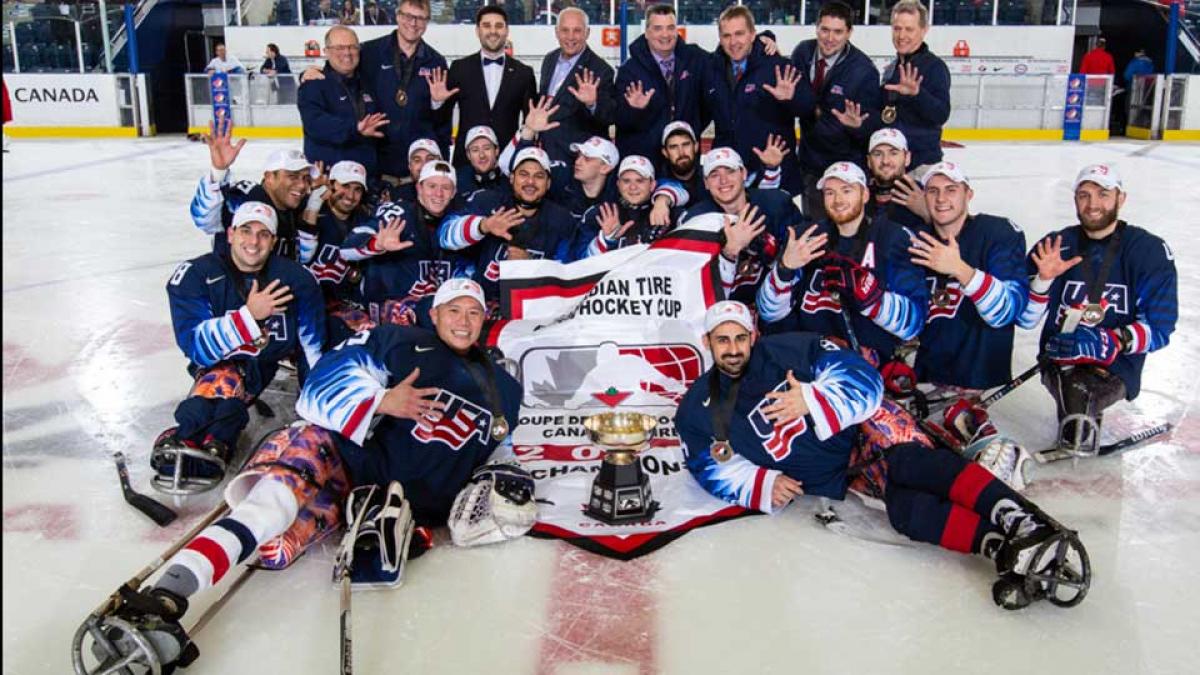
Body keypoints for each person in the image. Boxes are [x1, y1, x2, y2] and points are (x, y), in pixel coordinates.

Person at [113, 279, 525, 672]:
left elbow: (499, 450)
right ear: (434, 315)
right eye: (454, 309)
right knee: (270, 506)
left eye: (473, 312)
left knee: (278, 547)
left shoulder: (505, 389)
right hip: (342, 459)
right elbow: (318, 389)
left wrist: (503, 479)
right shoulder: (397, 341)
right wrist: (381, 400)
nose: (464, 320)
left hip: (389, 506)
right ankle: (168, 594)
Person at [675, 300, 1089, 608]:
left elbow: (862, 377)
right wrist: (760, 483)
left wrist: (815, 397)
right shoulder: (696, 408)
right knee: (906, 512)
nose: (732, 348)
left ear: (754, 337)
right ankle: (999, 547)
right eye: (722, 339)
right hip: (844, 473)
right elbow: (709, 466)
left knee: (911, 464)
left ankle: (1018, 518)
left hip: (869, 428)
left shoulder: (790, 349)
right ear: (707, 342)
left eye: (739, 337)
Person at [152, 201, 325, 495]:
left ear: (273, 241)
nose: (254, 242)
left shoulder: (297, 279)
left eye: (263, 234)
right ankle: (189, 434)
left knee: (227, 390)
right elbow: (197, 347)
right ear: (231, 234)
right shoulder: (196, 274)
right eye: (246, 231)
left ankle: (216, 438)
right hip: (214, 366)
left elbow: (312, 347)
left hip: (260, 367)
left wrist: (315, 406)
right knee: (219, 379)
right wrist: (248, 317)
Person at [1017, 164, 1177, 455]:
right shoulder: (1056, 245)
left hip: (1117, 363)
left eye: (1103, 194)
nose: (1093, 204)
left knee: (1082, 398)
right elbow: (1026, 319)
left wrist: (1112, 341)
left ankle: (1080, 423)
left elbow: (1161, 327)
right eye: (1084, 195)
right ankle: (1077, 423)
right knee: (1073, 388)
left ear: (1121, 198)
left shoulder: (1148, 250)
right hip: (1060, 356)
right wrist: (1042, 282)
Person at [756, 161, 928, 367]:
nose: (838, 200)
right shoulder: (805, 237)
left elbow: (914, 324)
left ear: (864, 195)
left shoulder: (893, 238)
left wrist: (874, 300)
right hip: (806, 360)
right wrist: (784, 270)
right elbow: (769, 313)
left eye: (847, 190)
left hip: (867, 368)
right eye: (830, 192)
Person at [908, 162, 1028, 392]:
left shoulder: (997, 233)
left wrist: (961, 270)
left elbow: (1009, 310)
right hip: (924, 377)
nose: (941, 198)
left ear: (968, 194)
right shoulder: (915, 240)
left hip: (978, 379)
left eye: (951, 189)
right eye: (933, 191)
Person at [439, 146, 577, 303]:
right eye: (523, 174)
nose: (530, 182)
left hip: (531, 308)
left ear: (548, 183)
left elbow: (566, 276)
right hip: (479, 304)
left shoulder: (561, 220)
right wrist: (483, 225)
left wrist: (533, 266)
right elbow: (444, 236)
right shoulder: (487, 201)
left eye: (539, 176)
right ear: (512, 178)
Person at [345, 159, 472, 325]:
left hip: (434, 308)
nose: (438, 194)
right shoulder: (398, 213)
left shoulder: (458, 223)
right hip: (391, 309)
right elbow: (346, 249)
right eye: (432, 186)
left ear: (454, 192)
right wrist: (376, 244)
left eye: (445, 188)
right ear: (419, 187)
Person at [702, 5, 813, 194]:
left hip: (775, 175)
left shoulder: (779, 67)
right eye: (726, 36)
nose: (733, 42)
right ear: (719, 38)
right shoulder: (711, 70)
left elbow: (809, 108)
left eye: (739, 34)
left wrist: (791, 99)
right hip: (730, 181)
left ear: (753, 35)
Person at [789, 1, 882, 220]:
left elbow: (872, 124)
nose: (830, 38)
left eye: (838, 32)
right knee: (815, 229)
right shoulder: (803, 52)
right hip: (810, 164)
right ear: (817, 28)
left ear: (849, 32)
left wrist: (858, 126)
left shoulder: (864, 71)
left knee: (845, 231)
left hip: (845, 167)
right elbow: (796, 100)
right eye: (825, 30)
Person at [679, 147, 802, 305]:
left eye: (730, 171)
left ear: (743, 174)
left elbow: (800, 261)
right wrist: (727, 253)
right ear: (706, 183)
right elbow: (691, 285)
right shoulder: (695, 220)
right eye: (714, 175)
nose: (723, 180)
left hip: (775, 301)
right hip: (722, 308)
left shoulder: (776, 204)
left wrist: (776, 256)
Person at [353, 0, 451, 183]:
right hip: (376, 167)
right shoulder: (369, 52)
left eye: (420, 18)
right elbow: (341, 72)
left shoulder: (436, 62)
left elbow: (442, 125)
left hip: (417, 173)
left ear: (427, 22)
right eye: (408, 16)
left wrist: (437, 104)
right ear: (397, 16)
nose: (413, 23)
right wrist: (311, 73)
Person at [189, 123, 316, 261]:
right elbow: (204, 220)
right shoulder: (245, 199)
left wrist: (315, 203)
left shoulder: (294, 206)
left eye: (306, 178)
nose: (302, 185)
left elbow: (301, 257)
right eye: (292, 176)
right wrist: (218, 171)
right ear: (269, 178)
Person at [432, 5, 536, 171]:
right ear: (477, 30)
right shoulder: (459, 68)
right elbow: (442, 120)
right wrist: (437, 103)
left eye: (499, 26)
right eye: (487, 26)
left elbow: (530, 122)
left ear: (507, 30)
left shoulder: (524, 73)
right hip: (465, 165)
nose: (493, 31)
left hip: (506, 163)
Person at [613, 4, 709, 168]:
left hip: (683, 163)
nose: (665, 34)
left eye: (670, 28)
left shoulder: (696, 59)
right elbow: (619, 120)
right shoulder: (629, 71)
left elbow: (727, 56)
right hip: (646, 164)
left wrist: (764, 38)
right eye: (658, 28)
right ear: (647, 32)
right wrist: (635, 110)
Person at [301, 160, 379, 344]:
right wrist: (312, 206)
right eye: (345, 186)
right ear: (331, 185)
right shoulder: (310, 212)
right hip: (310, 301)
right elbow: (302, 254)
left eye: (357, 189)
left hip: (345, 302)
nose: (351, 196)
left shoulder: (365, 221)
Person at [298, 26, 388, 177]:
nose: (347, 53)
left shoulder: (369, 83)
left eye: (352, 47)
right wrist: (355, 128)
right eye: (339, 47)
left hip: (366, 179)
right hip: (330, 182)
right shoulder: (313, 84)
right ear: (326, 51)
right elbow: (315, 124)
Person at [535, 7, 617, 164]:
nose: (570, 37)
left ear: (587, 33)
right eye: (565, 30)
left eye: (577, 31)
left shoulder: (601, 69)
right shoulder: (549, 60)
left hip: (578, 158)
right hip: (546, 153)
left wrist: (593, 104)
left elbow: (609, 116)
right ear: (557, 32)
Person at [879, 0, 950, 174]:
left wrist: (917, 94)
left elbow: (941, 114)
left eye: (909, 29)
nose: (901, 36)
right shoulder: (891, 69)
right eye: (897, 28)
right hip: (891, 166)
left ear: (924, 30)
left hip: (921, 166)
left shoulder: (935, 67)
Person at [576, 155, 679, 258]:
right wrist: (605, 240)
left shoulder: (668, 212)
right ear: (618, 184)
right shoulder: (600, 213)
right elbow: (577, 262)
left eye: (640, 181)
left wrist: (662, 201)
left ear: (652, 185)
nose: (633, 187)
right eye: (626, 181)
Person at [864, 127, 927, 229]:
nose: (885, 161)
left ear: (907, 158)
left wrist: (928, 215)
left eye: (893, 153)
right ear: (869, 161)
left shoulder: (925, 196)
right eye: (878, 154)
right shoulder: (859, 198)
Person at [456, 125, 506, 197]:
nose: (482, 155)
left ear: (496, 151)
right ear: (468, 155)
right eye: (475, 150)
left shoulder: (510, 180)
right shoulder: (457, 181)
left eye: (487, 148)